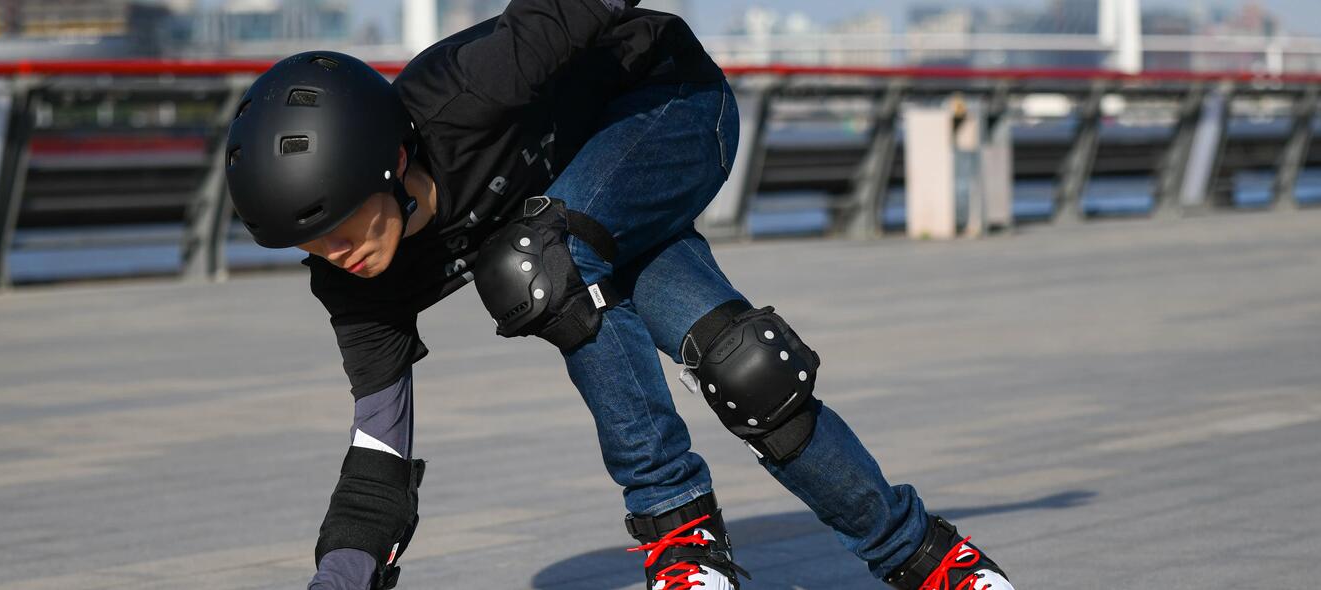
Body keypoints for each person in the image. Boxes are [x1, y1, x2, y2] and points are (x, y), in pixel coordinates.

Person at [223, 2, 1015, 589]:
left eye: (343, 225)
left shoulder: (469, 89)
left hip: (668, 106)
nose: (340, 256)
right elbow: (376, 458)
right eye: (313, 245)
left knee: (536, 261)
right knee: (747, 372)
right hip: (583, 212)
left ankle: (682, 538)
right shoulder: (360, 288)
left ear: (389, 162)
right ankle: (931, 560)